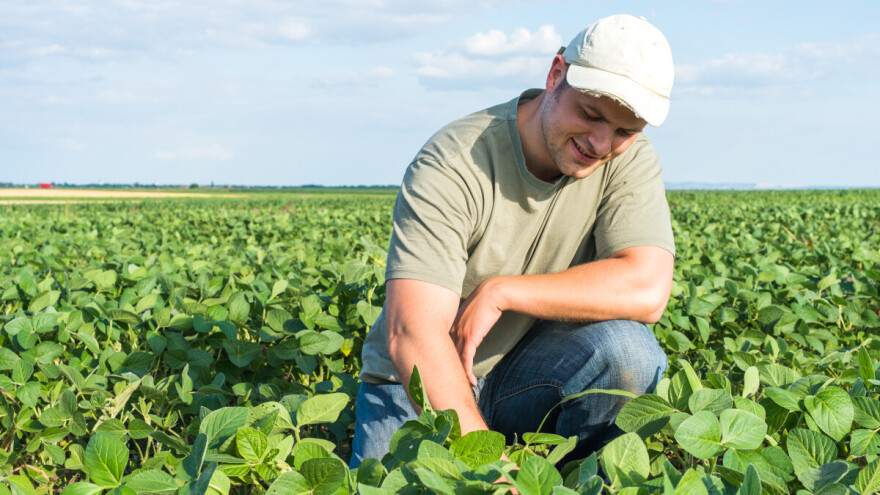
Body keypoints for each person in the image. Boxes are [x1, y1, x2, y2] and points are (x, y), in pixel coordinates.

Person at [351, 13, 676, 467]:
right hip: (416, 382)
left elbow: (647, 288)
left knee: (629, 354)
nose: (601, 144)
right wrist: (489, 469)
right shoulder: (455, 161)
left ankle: (568, 476)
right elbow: (414, 334)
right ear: (556, 74)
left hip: (526, 373)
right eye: (590, 114)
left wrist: (503, 291)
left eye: (625, 131)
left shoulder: (628, 157)